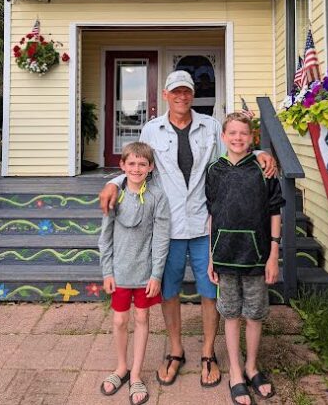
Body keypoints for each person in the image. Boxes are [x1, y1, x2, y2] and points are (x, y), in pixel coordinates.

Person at [99, 70, 277, 388]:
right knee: (169, 291)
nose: (181, 96)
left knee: (210, 290)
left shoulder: (210, 126)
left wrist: (261, 152)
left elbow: (232, 154)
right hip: (166, 226)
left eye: (187, 92)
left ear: (192, 95)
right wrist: (114, 182)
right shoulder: (152, 128)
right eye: (175, 92)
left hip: (203, 222)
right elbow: (139, 165)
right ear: (165, 95)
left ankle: (208, 352)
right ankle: (176, 350)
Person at [206, 113, 283, 404]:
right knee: (230, 314)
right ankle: (235, 371)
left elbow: (275, 211)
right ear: (223, 137)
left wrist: (273, 254)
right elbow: (212, 215)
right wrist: (211, 257)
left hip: (257, 255)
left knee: (254, 313)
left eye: (244, 133)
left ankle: (251, 366)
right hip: (225, 255)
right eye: (233, 133)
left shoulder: (263, 170)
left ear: (252, 138)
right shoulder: (214, 170)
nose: (238, 138)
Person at [98, 142, 170, 405]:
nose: (137, 168)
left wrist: (157, 274)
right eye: (132, 163)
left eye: (142, 164)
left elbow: (161, 238)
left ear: (150, 167)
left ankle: (136, 374)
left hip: (145, 274)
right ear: (122, 166)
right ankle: (121, 368)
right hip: (119, 272)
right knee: (119, 321)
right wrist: (107, 271)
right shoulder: (114, 195)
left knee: (142, 318)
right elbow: (105, 238)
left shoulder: (157, 197)